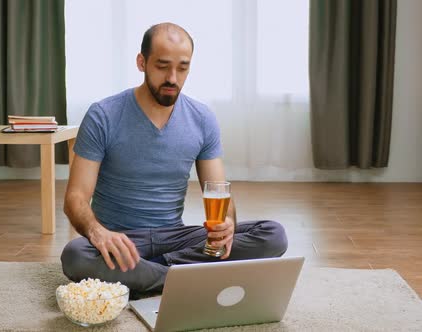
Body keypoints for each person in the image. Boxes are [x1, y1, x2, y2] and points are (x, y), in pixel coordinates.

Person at [61, 22, 287, 293]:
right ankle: (187, 278)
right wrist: (98, 233)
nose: (172, 78)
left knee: (273, 234)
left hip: (175, 238)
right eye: (162, 66)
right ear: (141, 62)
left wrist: (227, 225)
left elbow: (218, 191)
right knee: (76, 256)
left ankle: (151, 274)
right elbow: (75, 198)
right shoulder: (103, 115)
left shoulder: (202, 119)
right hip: (119, 239)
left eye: (182, 68)